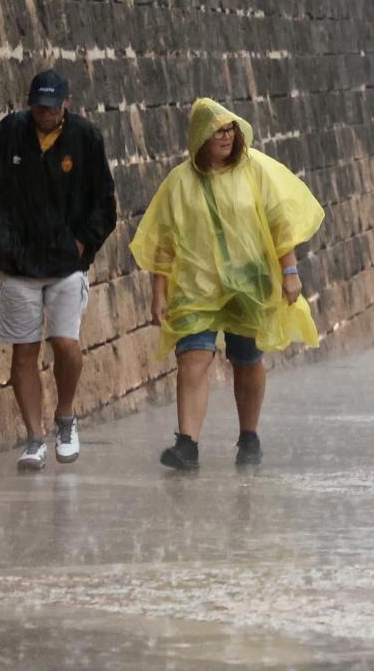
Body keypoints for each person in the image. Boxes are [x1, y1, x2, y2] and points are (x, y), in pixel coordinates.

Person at [132, 98, 326, 470]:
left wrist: (289, 272)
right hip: (195, 285)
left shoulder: (254, 171)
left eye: (229, 129)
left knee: (247, 359)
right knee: (193, 358)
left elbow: (279, 223)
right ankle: (187, 444)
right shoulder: (179, 182)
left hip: (249, 281)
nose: (224, 136)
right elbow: (165, 241)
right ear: (199, 136)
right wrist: (158, 291)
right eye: (216, 130)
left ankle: (249, 436)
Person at [0, 68, 118, 472]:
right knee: (24, 351)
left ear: (66, 105)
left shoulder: (86, 139)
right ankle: (35, 438)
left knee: (66, 344)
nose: (45, 113)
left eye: (52, 108)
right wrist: (0, 246)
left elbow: (105, 204)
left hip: (66, 265)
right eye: (39, 106)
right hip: (19, 265)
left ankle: (66, 418)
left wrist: (81, 244)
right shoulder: (10, 133)